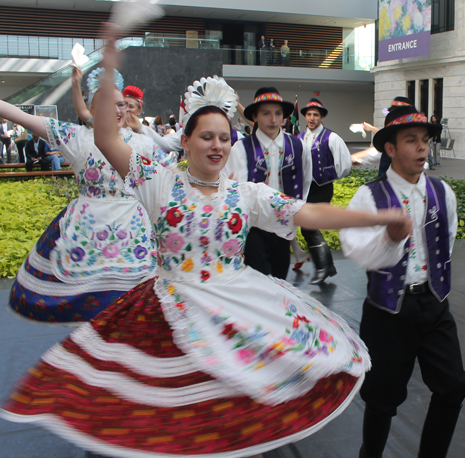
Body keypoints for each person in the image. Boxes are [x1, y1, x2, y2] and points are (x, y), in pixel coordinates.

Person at [0, 29, 412, 458]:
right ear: (185, 141)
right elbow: (105, 137)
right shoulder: (157, 181)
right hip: (170, 307)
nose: (217, 145)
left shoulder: (244, 193)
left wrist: (378, 217)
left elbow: (307, 212)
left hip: (235, 301)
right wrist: (107, 69)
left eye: (224, 137)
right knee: (164, 408)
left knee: (229, 402)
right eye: (206, 136)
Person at [340, 104, 465, 458]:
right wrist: (391, 239)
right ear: (391, 149)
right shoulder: (370, 196)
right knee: (382, 399)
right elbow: (357, 250)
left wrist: (433, 279)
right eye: (411, 140)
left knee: (453, 386)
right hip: (388, 309)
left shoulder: (443, 192)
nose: (421, 147)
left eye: (425, 140)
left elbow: (448, 239)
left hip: (434, 303)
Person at [2, 67, 174, 324]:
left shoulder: (143, 144)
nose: (117, 111)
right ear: (92, 111)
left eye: (121, 105)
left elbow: (171, 183)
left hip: (134, 231)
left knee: (133, 305)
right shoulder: (77, 137)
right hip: (88, 232)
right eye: (107, 104)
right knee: (93, 311)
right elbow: (17, 114)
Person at [226, 87, 312, 280]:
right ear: (255, 116)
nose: (273, 120)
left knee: (280, 277)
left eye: (277, 113)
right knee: (259, 279)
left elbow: (305, 179)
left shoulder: (298, 146)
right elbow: (230, 186)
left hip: (283, 223)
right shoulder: (240, 148)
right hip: (253, 226)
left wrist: (296, 210)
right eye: (266, 113)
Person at [297, 98, 352, 284]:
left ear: (322, 118)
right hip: (304, 189)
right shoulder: (299, 137)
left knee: (309, 226)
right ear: (305, 116)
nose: (312, 118)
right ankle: (326, 266)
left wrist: (326, 175)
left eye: (316, 115)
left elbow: (344, 165)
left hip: (321, 188)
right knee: (307, 228)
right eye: (309, 114)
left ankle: (323, 267)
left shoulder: (332, 137)